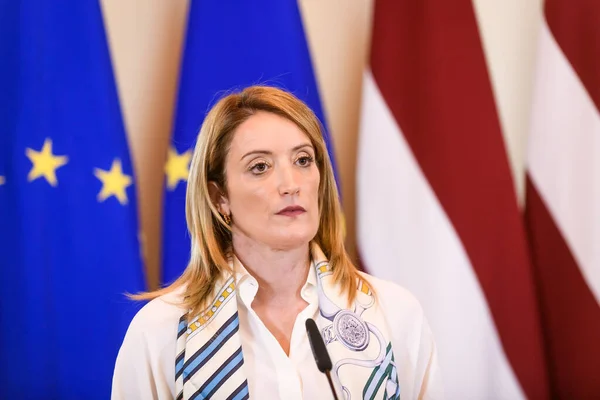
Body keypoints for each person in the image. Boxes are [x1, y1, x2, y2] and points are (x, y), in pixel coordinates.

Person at [111, 85, 443, 400]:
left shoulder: (394, 313)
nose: (291, 184)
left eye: (303, 160)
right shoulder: (161, 332)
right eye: (260, 167)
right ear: (220, 197)